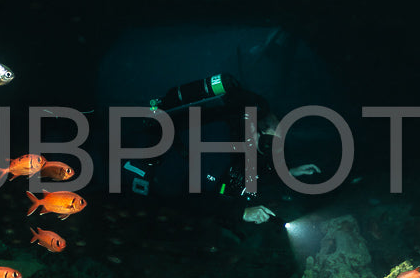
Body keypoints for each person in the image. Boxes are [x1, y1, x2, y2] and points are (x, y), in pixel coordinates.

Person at [110, 73, 320, 224]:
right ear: (255, 130)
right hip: (137, 173)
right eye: (270, 143)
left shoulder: (243, 141)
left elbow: (246, 177)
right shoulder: (219, 144)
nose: (271, 150)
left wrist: (288, 173)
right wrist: (242, 212)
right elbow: (192, 198)